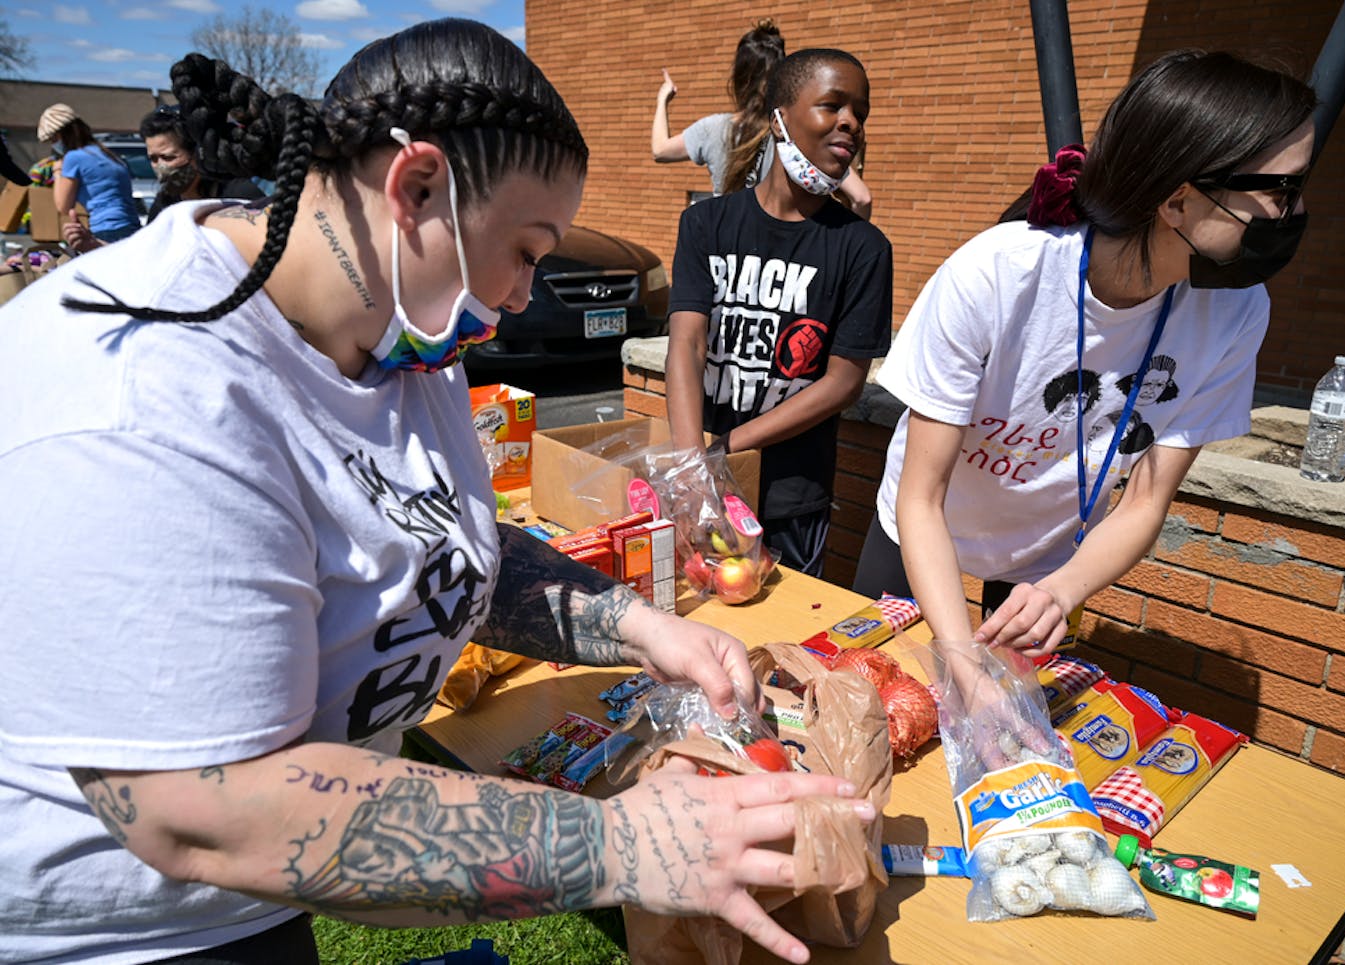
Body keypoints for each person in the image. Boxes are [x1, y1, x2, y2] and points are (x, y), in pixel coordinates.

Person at [0, 21, 874, 965]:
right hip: (119, 936)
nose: (522, 295)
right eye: (528, 250)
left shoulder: (402, 322)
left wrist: (639, 625)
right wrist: (623, 845)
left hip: (252, 905)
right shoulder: (145, 387)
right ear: (416, 190)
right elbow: (202, 806)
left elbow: (438, 544)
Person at [852, 49, 1316, 655]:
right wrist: (962, 660)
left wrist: (1060, 592)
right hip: (923, 527)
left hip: (1049, 557)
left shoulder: (1235, 310)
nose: (1296, 211)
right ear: (1177, 202)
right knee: (882, 691)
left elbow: (1146, 500)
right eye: (1281, 189)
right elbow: (921, 499)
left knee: (1010, 717)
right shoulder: (998, 273)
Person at [666, 48, 894, 578]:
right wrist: (691, 472)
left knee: (778, 647)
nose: (851, 123)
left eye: (860, 112)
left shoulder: (863, 248)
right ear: (779, 120)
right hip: (702, 483)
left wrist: (726, 449)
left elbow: (842, 384)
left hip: (793, 498)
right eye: (832, 105)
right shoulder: (706, 225)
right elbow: (687, 343)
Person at [652, 19, 873, 218]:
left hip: (725, 245)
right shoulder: (792, 131)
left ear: (738, 77)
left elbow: (660, 150)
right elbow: (862, 198)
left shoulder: (713, 129)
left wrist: (663, 99)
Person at [61, 106, 268, 252]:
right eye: (153, 159)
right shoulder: (165, 203)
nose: (161, 167)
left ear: (198, 155)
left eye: (169, 157)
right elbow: (144, 254)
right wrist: (93, 245)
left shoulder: (239, 196)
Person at [36, 102, 141, 245]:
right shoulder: (106, 154)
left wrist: (57, 170)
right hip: (131, 226)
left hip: (106, 229)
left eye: (54, 139)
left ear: (66, 133)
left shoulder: (73, 158)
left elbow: (63, 206)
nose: (53, 145)